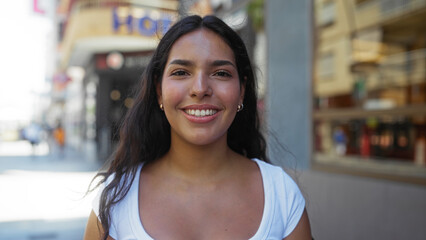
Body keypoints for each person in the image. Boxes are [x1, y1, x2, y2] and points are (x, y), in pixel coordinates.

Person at [84, 15, 312, 240]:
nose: (200, 88)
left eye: (221, 73)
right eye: (181, 72)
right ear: (159, 90)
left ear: (241, 90)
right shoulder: (116, 199)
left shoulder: (281, 195)